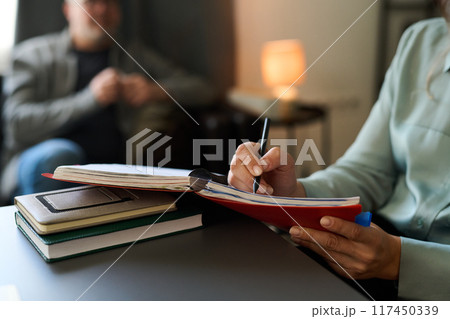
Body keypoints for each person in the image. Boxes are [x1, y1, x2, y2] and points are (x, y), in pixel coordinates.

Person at [228, 2, 450, 301]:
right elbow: (369, 169)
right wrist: (295, 194)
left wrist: (401, 261)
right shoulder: (420, 41)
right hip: (368, 253)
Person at [0, 0, 214, 201]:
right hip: (40, 160)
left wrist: (156, 91)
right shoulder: (32, 55)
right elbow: (17, 124)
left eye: (110, 1)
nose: (102, 9)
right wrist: (90, 99)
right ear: (68, 9)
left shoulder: (132, 56)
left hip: (111, 171)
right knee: (61, 155)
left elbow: (206, 90)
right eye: (91, 2)